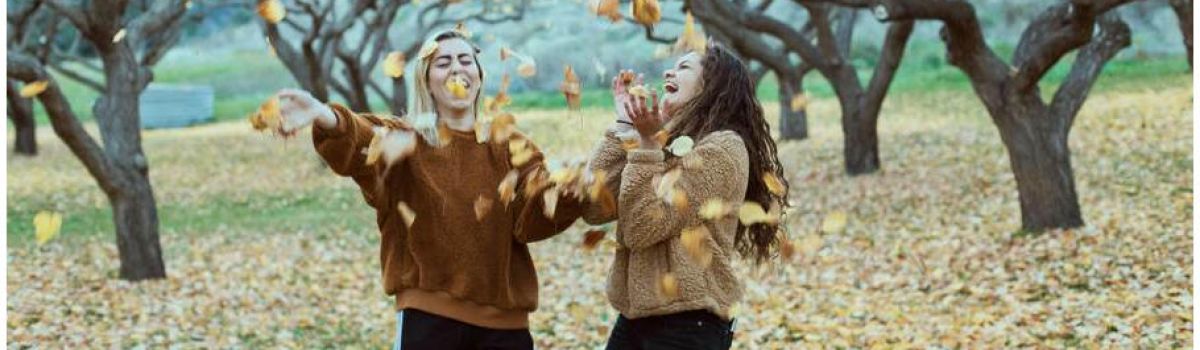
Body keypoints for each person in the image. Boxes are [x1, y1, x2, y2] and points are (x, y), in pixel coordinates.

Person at [268, 29, 583, 350]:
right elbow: (363, 138)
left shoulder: (510, 145)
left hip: (504, 326)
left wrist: (571, 188)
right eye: (443, 62)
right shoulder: (406, 140)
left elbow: (534, 215)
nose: (457, 69)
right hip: (429, 318)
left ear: (478, 74)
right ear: (426, 80)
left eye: (465, 60)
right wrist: (326, 116)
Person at [583, 43, 790, 350]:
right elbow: (594, 206)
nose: (669, 70)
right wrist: (625, 126)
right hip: (636, 316)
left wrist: (647, 146)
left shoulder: (724, 149)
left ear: (712, 85)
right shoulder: (664, 140)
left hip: (688, 323)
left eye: (684, 67)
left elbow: (641, 226)